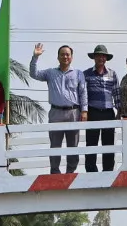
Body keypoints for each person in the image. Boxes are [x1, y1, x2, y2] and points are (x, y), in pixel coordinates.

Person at [30, 43, 87, 174]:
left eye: (67, 54)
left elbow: (83, 93)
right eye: (62, 54)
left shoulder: (78, 74)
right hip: (55, 112)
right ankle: (55, 172)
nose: (65, 57)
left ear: (71, 57)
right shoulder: (50, 73)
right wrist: (35, 57)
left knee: (73, 145)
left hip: (73, 112)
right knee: (55, 145)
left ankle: (70, 172)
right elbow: (34, 74)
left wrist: (84, 111)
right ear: (58, 57)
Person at [84, 45, 119, 172]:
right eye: (98, 55)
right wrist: (84, 111)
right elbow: (83, 94)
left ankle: (108, 171)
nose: (101, 58)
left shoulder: (112, 73)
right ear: (94, 57)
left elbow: (116, 93)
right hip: (92, 112)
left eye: (103, 56)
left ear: (106, 58)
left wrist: (119, 111)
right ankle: (91, 171)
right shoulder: (86, 74)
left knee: (109, 144)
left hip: (108, 112)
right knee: (91, 143)